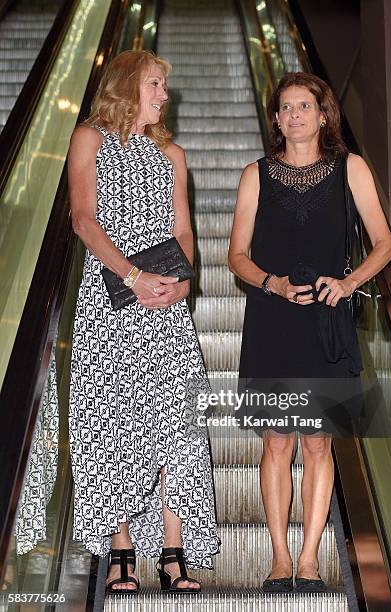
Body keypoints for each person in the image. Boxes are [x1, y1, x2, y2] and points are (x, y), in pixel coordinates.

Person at [228, 72, 391, 593]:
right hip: (274, 320)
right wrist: (271, 283)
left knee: (320, 444)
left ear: (324, 115)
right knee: (277, 443)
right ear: (276, 119)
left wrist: (348, 284)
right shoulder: (256, 174)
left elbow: (385, 244)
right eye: (286, 107)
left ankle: (309, 561)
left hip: (328, 320)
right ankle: (279, 558)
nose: (295, 114)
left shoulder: (352, 168)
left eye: (305, 106)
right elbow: (235, 256)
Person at [68, 50, 219, 594]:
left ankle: (173, 551)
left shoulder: (172, 154)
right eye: (155, 84)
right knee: (113, 422)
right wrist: (132, 276)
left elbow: (183, 232)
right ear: (128, 86)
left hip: (166, 306)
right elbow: (83, 220)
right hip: (110, 302)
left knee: (175, 421)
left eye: (162, 87)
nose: (163, 95)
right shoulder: (89, 139)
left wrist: (181, 283)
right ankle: (121, 548)